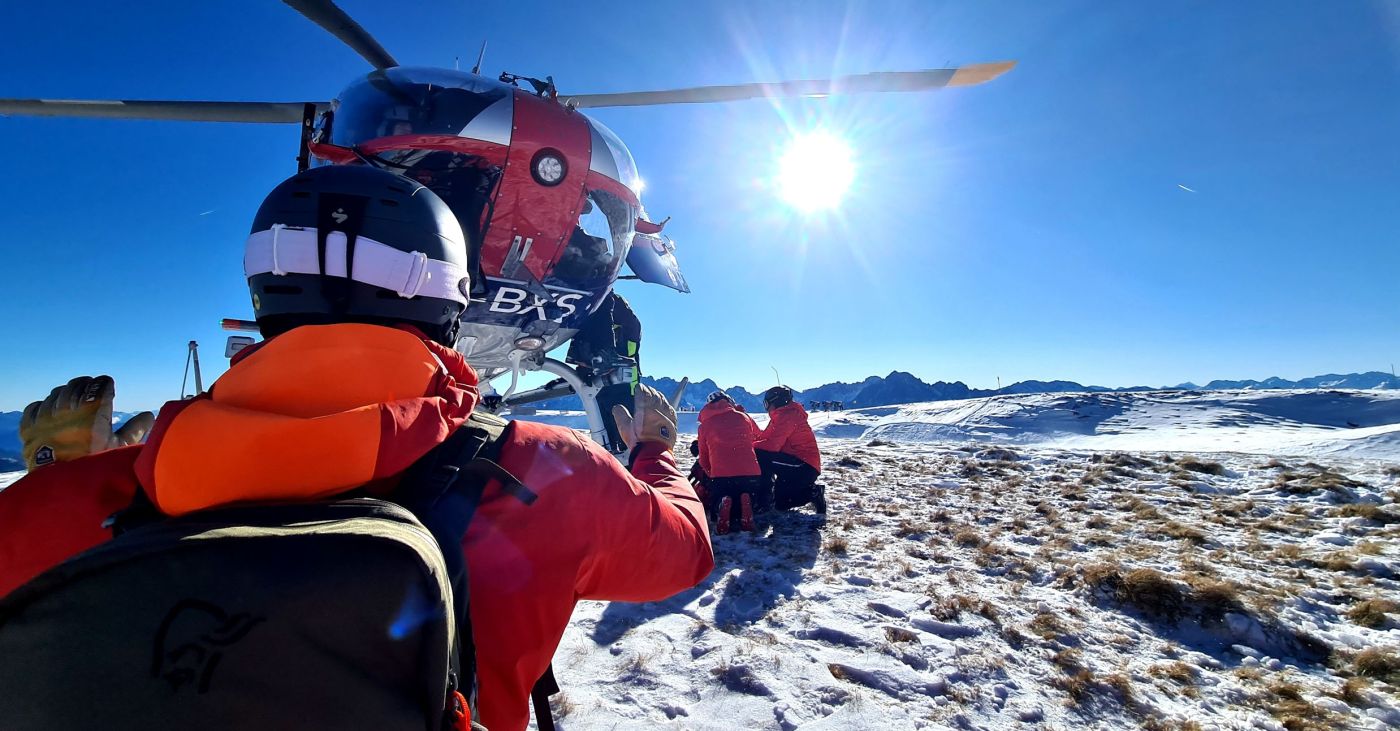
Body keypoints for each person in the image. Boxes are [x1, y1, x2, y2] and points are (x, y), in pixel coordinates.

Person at [0, 165, 713, 731]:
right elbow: (684, 553)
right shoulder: (548, 470)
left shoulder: (71, 502)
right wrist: (656, 449)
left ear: (266, 292)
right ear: (449, 297)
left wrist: (63, 480)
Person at [565, 290, 642, 454]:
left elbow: (627, 322)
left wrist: (603, 296)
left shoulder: (628, 328)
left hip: (624, 392)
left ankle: (627, 465)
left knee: (627, 443)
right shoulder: (604, 333)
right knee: (606, 440)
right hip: (602, 390)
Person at [695, 391, 764, 534]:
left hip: (721, 475)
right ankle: (747, 502)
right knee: (748, 494)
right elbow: (758, 436)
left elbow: (703, 458)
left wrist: (711, 473)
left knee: (718, 498)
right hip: (750, 473)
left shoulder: (704, 426)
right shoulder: (743, 417)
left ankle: (722, 504)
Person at [754, 385, 826, 514]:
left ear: (776, 402)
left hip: (804, 465)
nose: (767, 407)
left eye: (767, 403)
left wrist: (750, 446)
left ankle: (763, 498)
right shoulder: (780, 416)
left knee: (760, 456)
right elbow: (764, 437)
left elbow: (772, 445)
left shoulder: (788, 416)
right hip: (795, 463)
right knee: (781, 504)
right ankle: (811, 492)